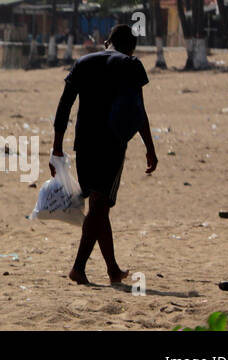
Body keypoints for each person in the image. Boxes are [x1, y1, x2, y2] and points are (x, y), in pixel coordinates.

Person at [51, 22, 158, 285]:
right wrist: (150, 149)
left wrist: (56, 146)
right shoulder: (131, 65)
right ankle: (78, 268)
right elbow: (139, 110)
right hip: (111, 143)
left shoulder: (83, 62)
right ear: (131, 48)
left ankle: (112, 270)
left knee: (99, 205)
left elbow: (64, 105)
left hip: (84, 143)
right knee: (99, 206)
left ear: (107, 42)